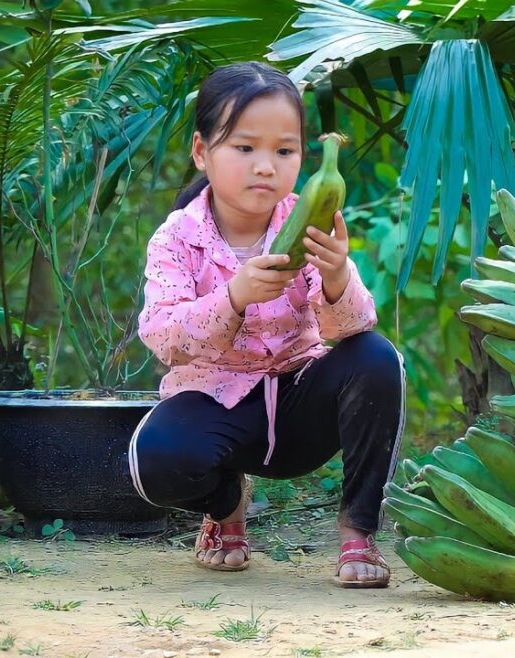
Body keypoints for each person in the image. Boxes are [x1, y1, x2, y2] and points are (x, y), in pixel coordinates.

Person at [131, 62, 404, 588]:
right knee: (156, 463)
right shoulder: (176, 238)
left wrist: (336, 276)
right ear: (200, 151)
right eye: (244, 147)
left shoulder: (311, 218)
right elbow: (163, 337)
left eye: (284, 151)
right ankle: (227, 504)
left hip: (301, 401)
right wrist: (232, 297)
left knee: (376, 357)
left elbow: (352, 327)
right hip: (216, 402)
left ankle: (358, 531)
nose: (265, 166)